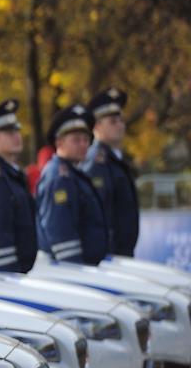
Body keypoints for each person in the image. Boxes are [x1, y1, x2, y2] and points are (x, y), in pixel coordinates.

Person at [35, 104, 108, 265]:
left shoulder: (72, 173)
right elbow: (59, 228)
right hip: (70, 268)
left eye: (86, 139)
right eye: (76, 140)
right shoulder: (59, 176)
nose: (83, 145)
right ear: (59, 143)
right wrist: (74, 266)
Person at [0, 99, 39, 272]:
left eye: (17, 130)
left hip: (18, 270)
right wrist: (8, 274)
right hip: (5, 273)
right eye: (9, 132)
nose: (17, 136)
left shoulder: (11, 173)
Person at [82, 87, 139, 256]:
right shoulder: (97, 163)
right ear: (97, 126)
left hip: (121, 252)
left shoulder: (116, 160)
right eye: (113, 121)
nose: (120, 125)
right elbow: (99, 215)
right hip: (110, 254)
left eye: (120, 120)